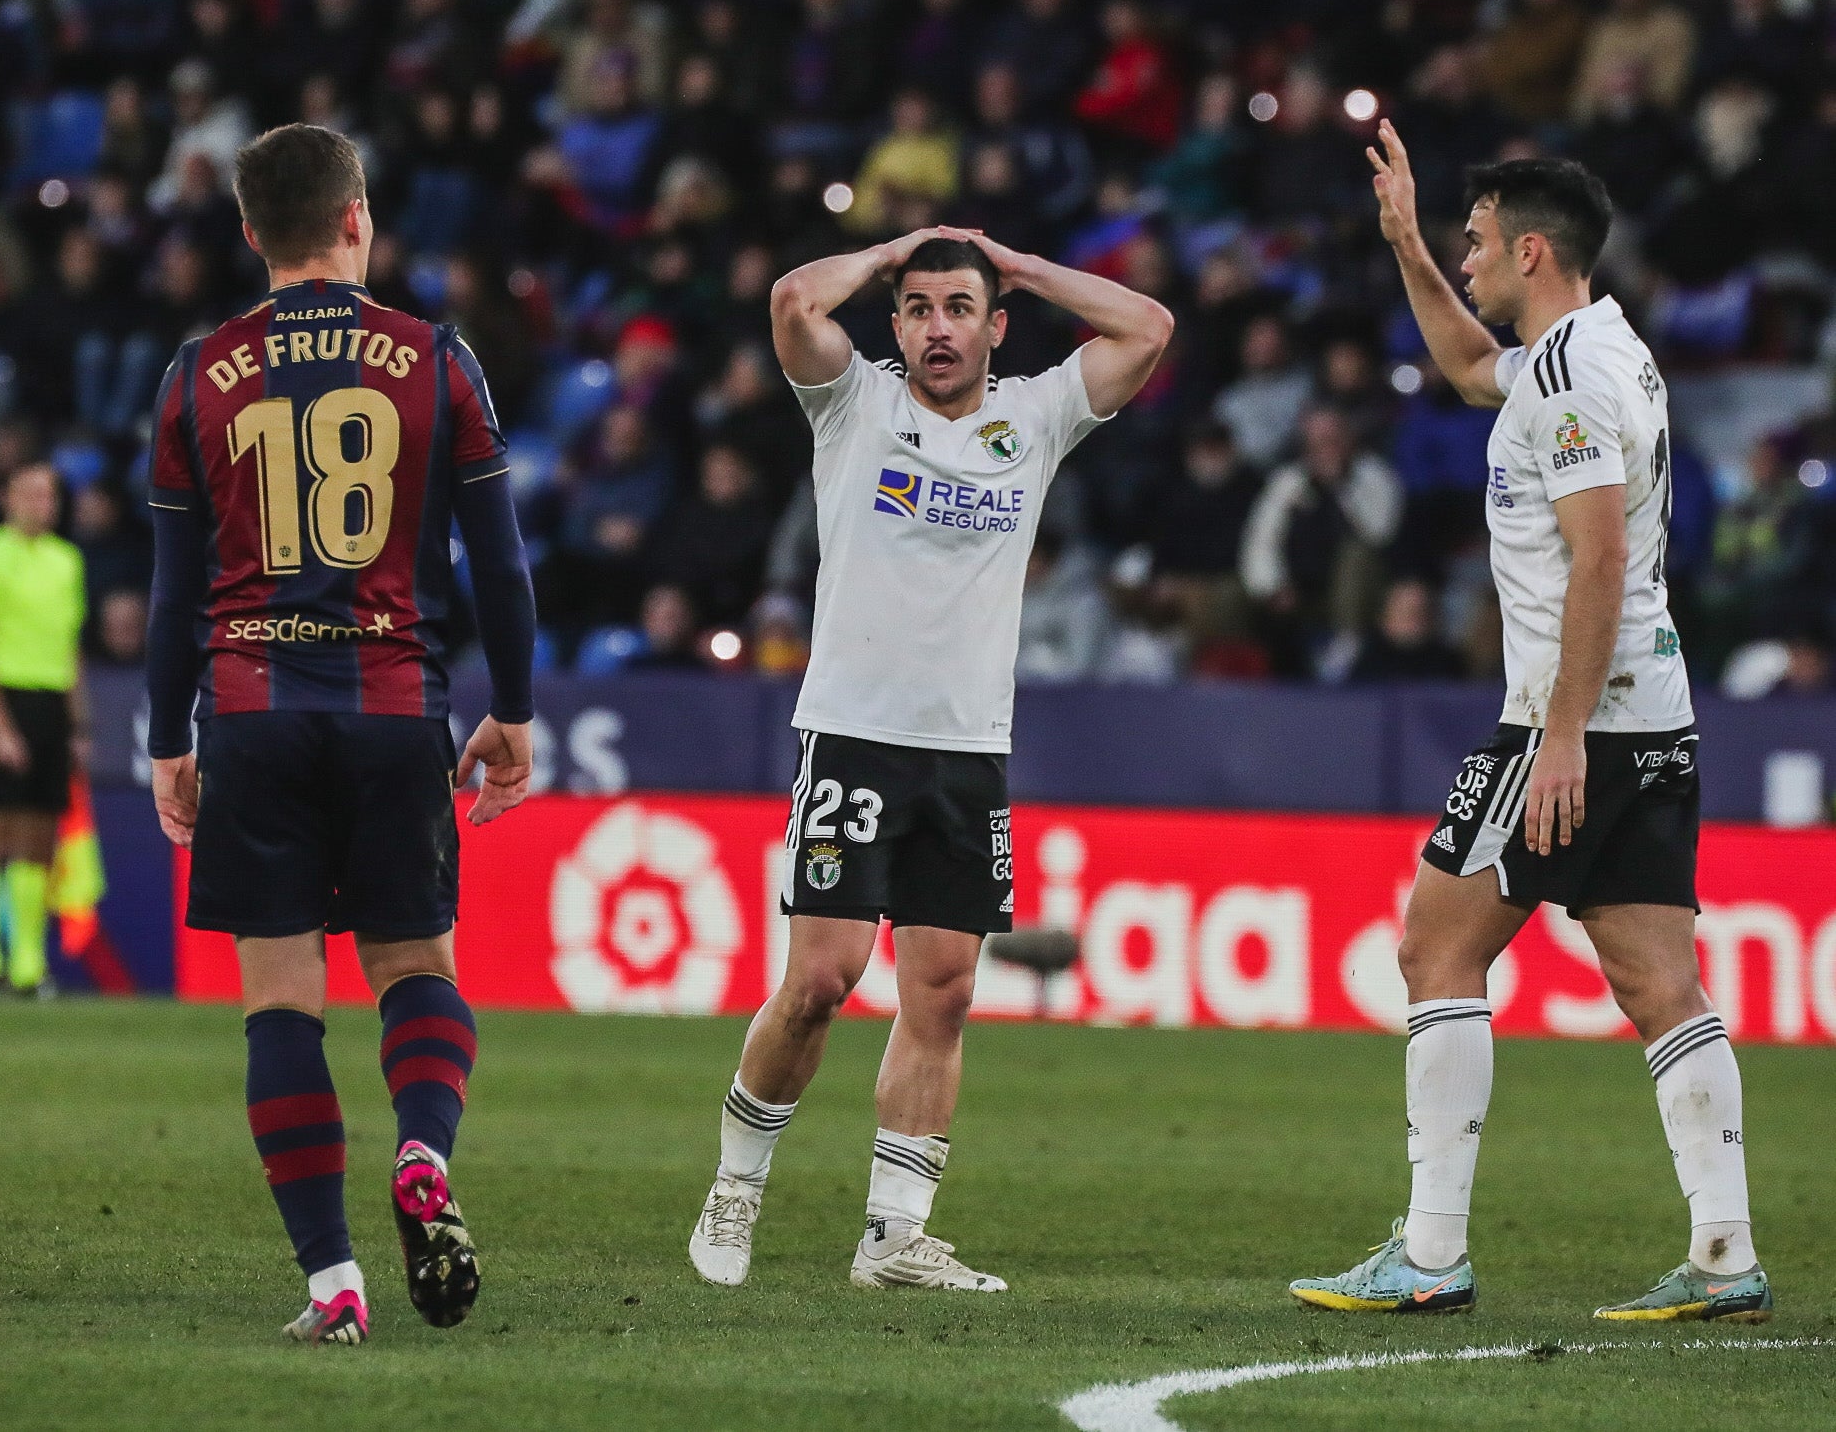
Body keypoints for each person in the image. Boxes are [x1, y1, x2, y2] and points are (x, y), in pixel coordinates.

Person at [1290, 127, 1769, 1324]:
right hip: (1650, 710)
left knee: (1432, 948)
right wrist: (1402, 238)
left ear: (1532, 250)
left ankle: (1431, 1250)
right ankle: (1722, 1253)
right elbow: (1463, 365)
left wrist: (1555, 734)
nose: (1468, 259)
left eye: (1475, 243)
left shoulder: (1565, 379)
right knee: (1659, 979)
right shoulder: (1600, 351)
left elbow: (1597, 554)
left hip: (1571, 715)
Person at [687, 227, 1171, 1292]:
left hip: (966, 749)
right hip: (854, 732)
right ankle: (735, 1183)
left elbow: (1148, 326)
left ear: (996, 326)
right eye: (917, 308)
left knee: (940, 993)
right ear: (894, 322)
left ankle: (894, 1233)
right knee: (818, 979)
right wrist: (893, 248)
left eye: (960, 308)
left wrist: (1019, 265)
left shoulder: (1033, 415)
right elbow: (787, 301)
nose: (937, 327)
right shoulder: (853, 403)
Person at [143, 124, 538, 1346]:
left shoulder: (196, 370)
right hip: (393, 708)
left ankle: (333, 1282)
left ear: (251, 229)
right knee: (417, 968)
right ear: (358, 216)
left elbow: (169, 593)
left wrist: (168, 736)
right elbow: (501, 564)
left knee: (281, 1001)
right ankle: (421, 1143)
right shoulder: (435, 357)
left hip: (253, 715)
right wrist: (513, 709)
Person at [0, 460, 88, 998]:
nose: (39, 505)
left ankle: (28, 966)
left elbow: (71, 646)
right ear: (6, 497)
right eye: (29, 494)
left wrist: (79, 721)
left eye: (48, 495)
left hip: (52, 703)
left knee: (42, 834)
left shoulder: (67, 560)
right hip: (6, 697)